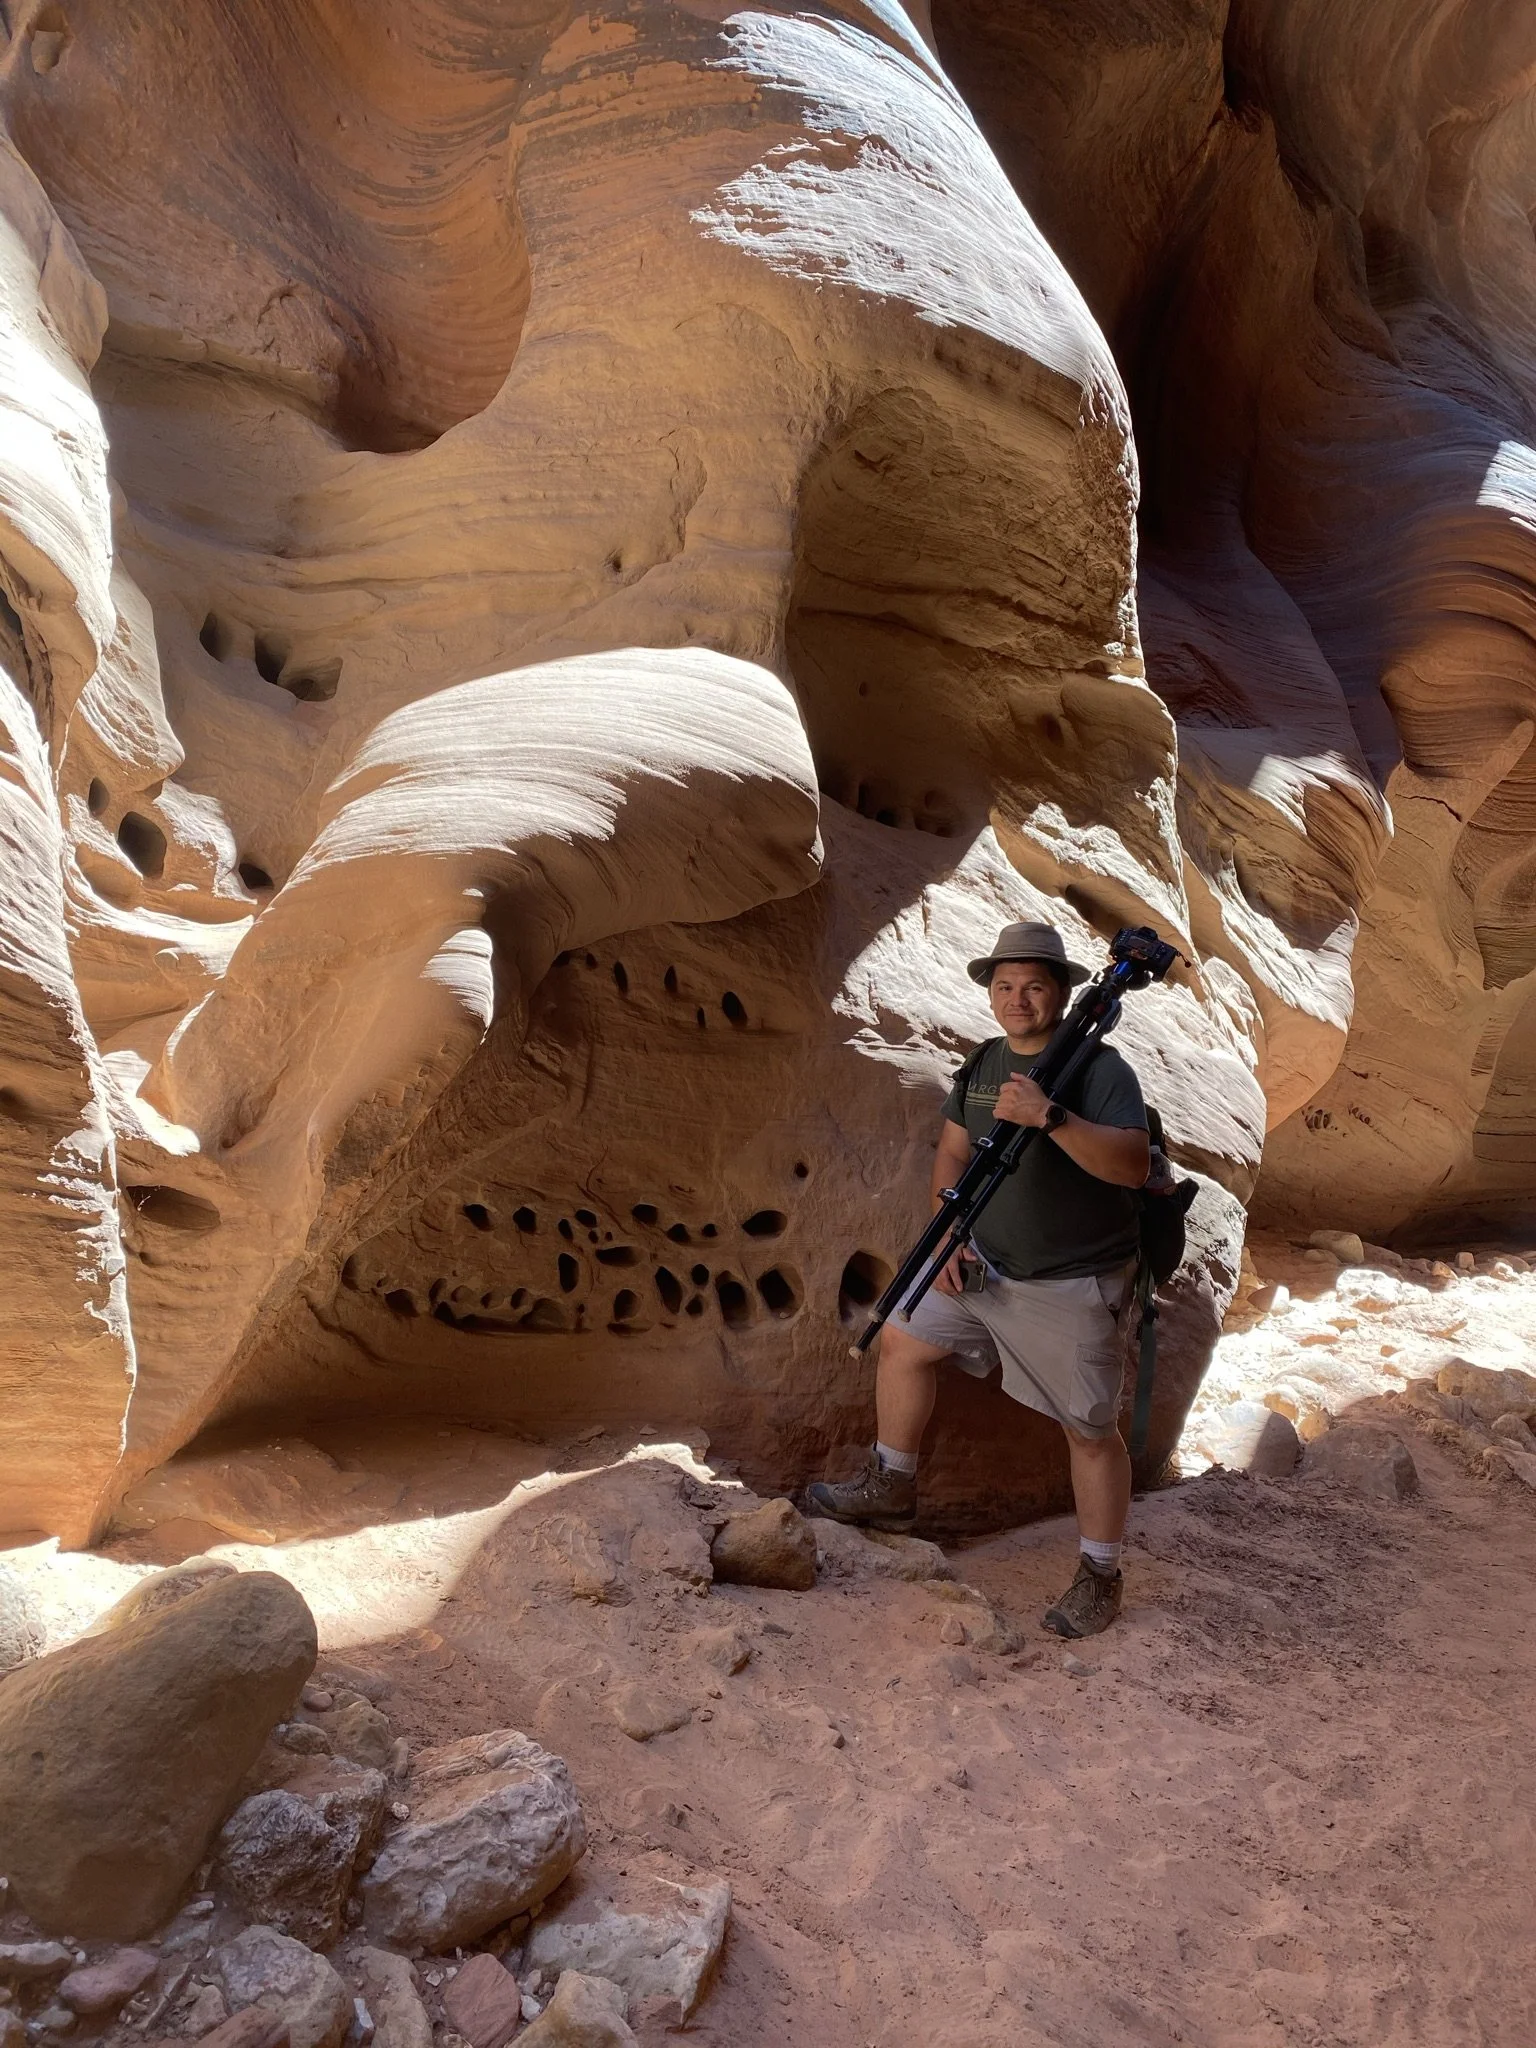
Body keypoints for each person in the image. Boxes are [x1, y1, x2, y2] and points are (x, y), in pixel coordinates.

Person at [808, 920, 1151, 1637]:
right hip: (983, 1270)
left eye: (1032, 986)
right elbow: (952, 1157)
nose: (1016, 999)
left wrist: (1049, 1116)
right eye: (1003, 986)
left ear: (1060, 992)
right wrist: (949, 1240)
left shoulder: (1099, 1068)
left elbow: (1132, 1166)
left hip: (1068, 1283)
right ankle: (891, 1486)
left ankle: (1099, 1574)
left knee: (1089, 1432)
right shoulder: (985, 1060)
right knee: (903, 1340)